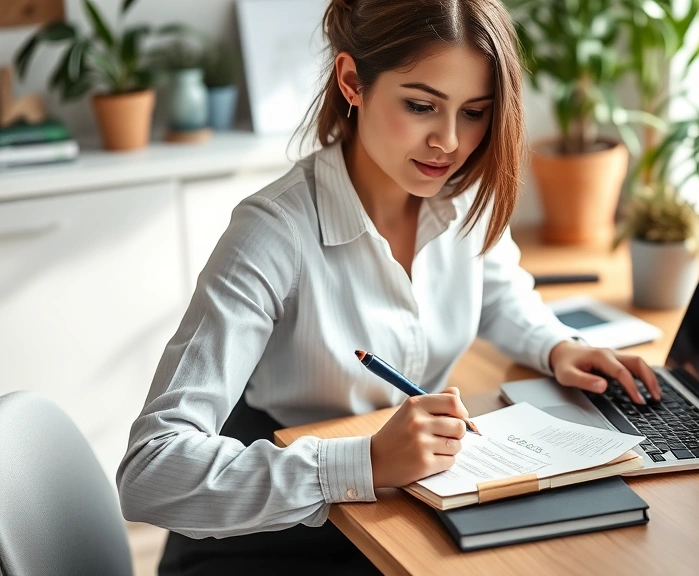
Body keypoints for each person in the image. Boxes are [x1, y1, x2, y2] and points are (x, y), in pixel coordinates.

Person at [117, 0, 661, 574]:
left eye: (474, 112)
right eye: (421, 105)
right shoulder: (273, 233)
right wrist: (365, 462)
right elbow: (150, 471)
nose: (449, 142)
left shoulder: (462, 197)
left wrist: (557, 346)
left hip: (398, 514)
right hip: (266, 543)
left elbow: (501, 294)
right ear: (353, 81)